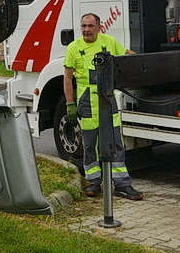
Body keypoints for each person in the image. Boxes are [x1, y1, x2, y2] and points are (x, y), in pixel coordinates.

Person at [61, 13, 143, 201]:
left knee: (114, 141)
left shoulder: (109, 41)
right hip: (87, 101)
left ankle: (122, 185)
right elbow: (67, 77)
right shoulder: (74, 48)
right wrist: (70, 104)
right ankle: (94, 182)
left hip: (107, 99)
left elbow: (127, 56)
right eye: (83, 26)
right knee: (90, 144)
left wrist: (144, 62)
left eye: (90, 26)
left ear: (99, 27)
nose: (86, 30)